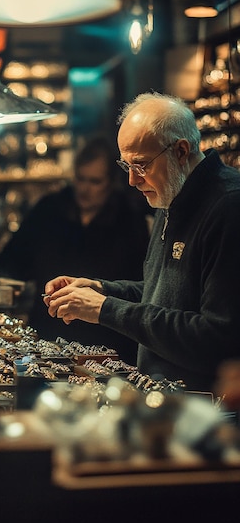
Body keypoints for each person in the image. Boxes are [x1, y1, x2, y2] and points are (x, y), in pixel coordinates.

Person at [43, 91, 240, 393]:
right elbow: (161, 297)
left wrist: (106, 309)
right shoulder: (172, 193)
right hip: (162, 402)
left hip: (209, 416)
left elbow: (216, 337)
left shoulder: (228, 206)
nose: (132, 181)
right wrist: (101, 289)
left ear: (181, 151)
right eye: (126, 166)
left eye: (141, 165)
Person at [0, 136, 151, 362]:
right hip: (47, 339)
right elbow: (8, 262)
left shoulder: (129, 217)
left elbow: (141, 285)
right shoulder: (49, 209)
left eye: (95, 181)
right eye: (80, 179)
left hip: (107, 347)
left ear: (111, 182)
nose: (85, 189)